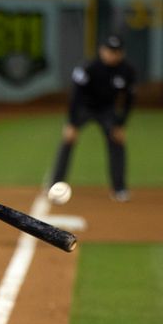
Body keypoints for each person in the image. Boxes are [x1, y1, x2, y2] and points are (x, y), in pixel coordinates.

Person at [51, 34, 136, 202]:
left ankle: (119, 188)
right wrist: (72, 123)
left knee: (117, 141)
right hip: (85, 107)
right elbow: (75, 95)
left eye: (116, 52)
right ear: (102, 51)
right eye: (110, 51)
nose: (112, 55)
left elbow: (129, 100)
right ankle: (55, 184)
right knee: (68, 140)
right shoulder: (89, 67)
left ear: (122, 53)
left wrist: (121, 124)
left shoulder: (127, 71)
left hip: (107, 109)